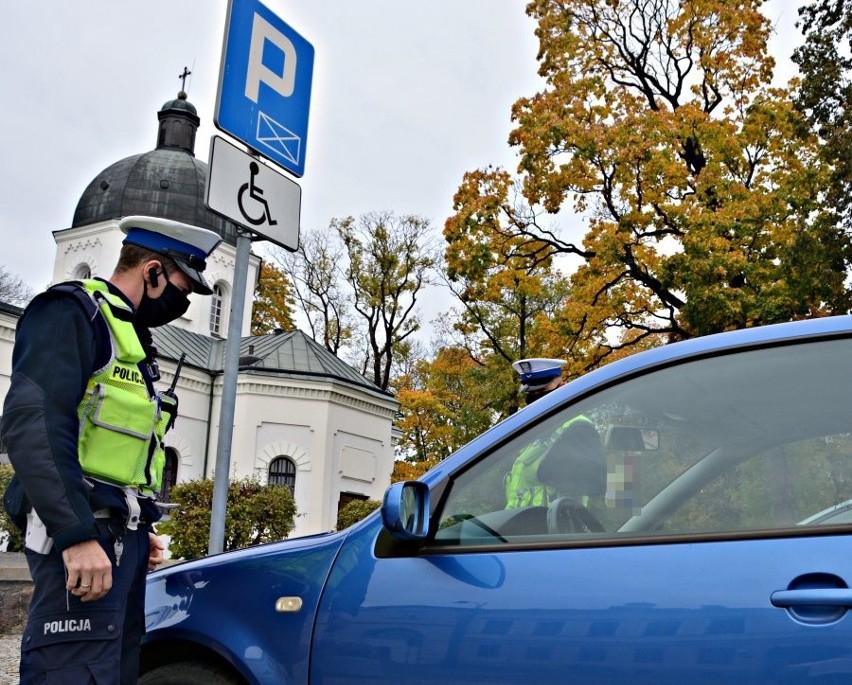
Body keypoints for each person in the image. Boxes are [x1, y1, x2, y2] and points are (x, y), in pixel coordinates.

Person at [1, 215, 221, 685]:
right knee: (74, 672)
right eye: (183, 288)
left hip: (119, 541)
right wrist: (76, 534)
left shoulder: (134, 344)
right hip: (81, 542)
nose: (183, 303)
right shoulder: (73, 313)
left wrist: (136, 523)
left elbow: (125, 455)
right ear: (154, 271)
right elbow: (34, 425)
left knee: (113, 671)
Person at [504, 358, 568, 508]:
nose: (536, 398)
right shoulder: (532, 435)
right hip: (519, 527)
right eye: (531, 393)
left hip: (553, 528)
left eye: (543, 391)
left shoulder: (574, 428)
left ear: (563, 386)